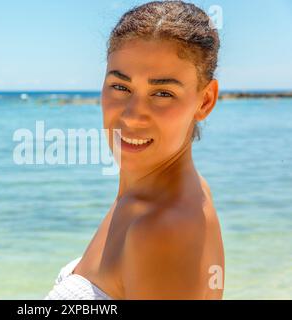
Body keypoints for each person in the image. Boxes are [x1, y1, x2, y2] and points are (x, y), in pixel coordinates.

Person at [45, 0, 224, 300]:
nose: (131, 115)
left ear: (205, 101)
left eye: (163, 93)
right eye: (120, 86)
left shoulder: (160, 230)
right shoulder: (164, 195)